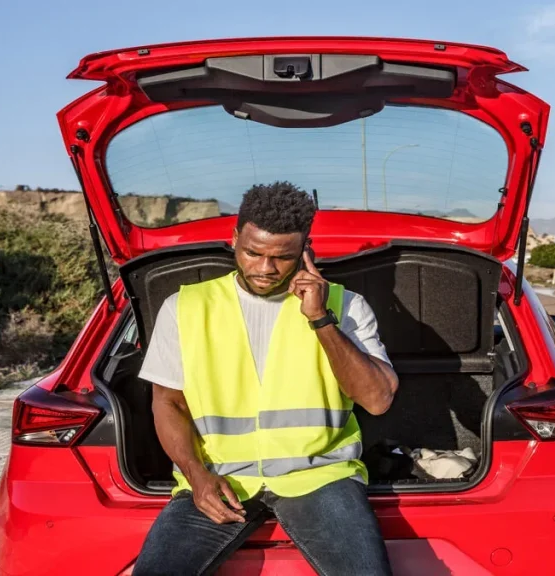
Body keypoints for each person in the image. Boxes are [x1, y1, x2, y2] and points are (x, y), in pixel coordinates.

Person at [132, 181, 399, 576]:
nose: (264, 268)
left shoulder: (346, 305)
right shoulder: (185, 307)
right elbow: (167, 402)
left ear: (306, 250)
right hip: (219, 478)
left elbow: (377, 399)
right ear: (235, 237)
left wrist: (320, 319)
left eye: (282, 257)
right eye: (253, 252)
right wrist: (196, 476)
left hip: (319, 478)